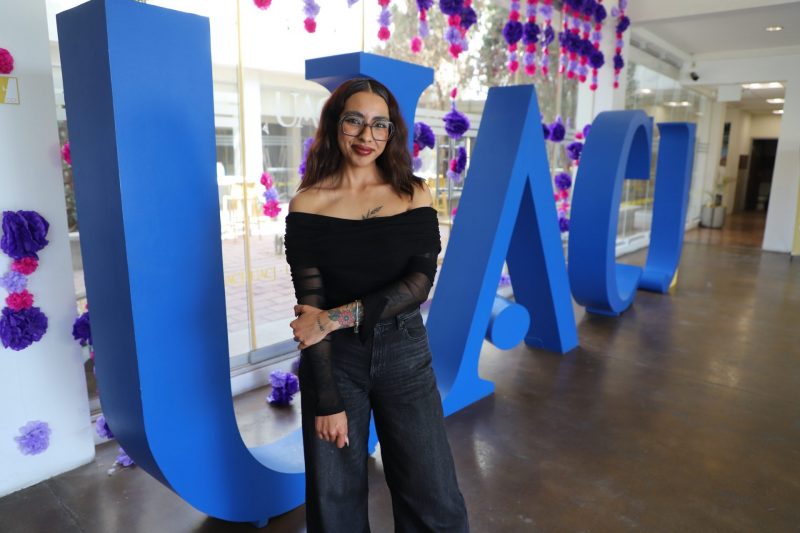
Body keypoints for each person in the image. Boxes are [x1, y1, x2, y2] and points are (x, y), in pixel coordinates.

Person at [285, 77, 469, 533]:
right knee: (334, 501)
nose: (367, 136)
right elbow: (310, 312)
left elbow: (418, 284)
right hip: (336, 360)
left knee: (433, 493)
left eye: (380, 125)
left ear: (391, 132)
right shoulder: (308, 204)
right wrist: (326, 398)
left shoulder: (413, 193)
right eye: (355, 121)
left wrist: (336, 318)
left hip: (404, 350)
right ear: (335, 124)